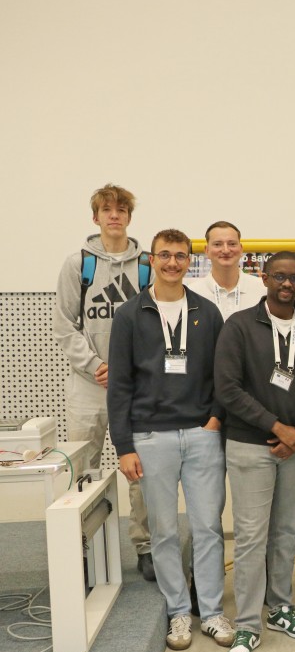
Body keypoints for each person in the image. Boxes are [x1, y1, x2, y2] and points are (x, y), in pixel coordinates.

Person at [108, 228, 233, 651]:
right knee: (163, 531)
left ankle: (211, 612)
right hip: (150, 437)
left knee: (208, 527)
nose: (173, 263)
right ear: (151, 259)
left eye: (181, 256)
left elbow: (223, 375)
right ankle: (179, 612)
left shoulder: (207, 312)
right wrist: (124, 446)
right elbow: (119, 385)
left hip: (202, 435)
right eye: (165, 255)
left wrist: (215, 419)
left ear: (190, 261)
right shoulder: (130, 314)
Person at [214, 252, 295, 652]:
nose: (287, 284)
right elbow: (228, 388)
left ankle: (280, 607)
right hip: (250, 445)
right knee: (250, 537)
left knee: (286, 532)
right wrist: (277, 427)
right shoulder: (239, 326)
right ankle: (247, 623)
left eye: (294, 278)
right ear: (264, 277)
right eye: (279, 276)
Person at [54, 183, 153, 580]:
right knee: (83, 470)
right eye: (107, 209)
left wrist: (130, 368)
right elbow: (64, 325)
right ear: (95, 217)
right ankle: (84, 548)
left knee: (141, 468)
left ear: (129, 216)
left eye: (121, 209)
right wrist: (95, 364)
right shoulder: (78, 264)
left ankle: (146, 545)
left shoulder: (146, 265)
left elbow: (155, 324)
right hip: (88, 387)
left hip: (137, 386)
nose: (114, 215)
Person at [186, 221, 266, 320]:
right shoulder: (192, 293)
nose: (226, 250)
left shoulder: (263, 290)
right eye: (217, 244)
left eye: (232, 244)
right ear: (207, 250)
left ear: (241, 249)